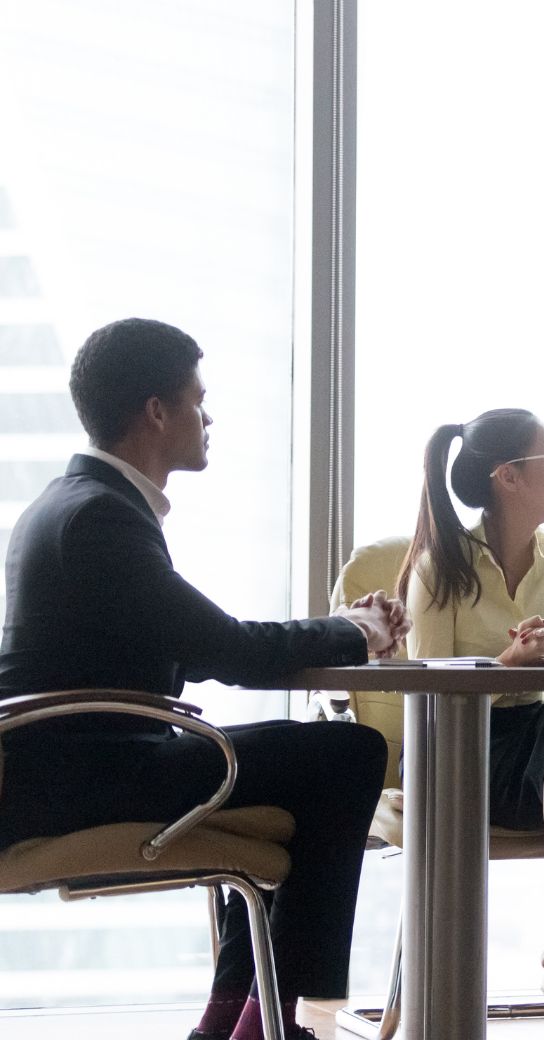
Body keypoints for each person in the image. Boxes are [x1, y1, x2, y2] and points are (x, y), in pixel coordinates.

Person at [0, 317, 405, 1040]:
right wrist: (357, 630)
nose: (207, 417)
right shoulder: (100, 518)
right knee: (347, 754)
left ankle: (235, 1022)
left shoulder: (73, 505)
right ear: (157, 411)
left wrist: (342, 628)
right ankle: (265, 1024)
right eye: (197, 399)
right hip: (89, 776)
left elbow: (177, 643)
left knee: (301, 758)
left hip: (71, 764)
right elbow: (230, 651)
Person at [399, 409, 544, 1040]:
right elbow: (428, 695)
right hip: (460, 751)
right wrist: (510, 663)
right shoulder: (437, 567)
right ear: (508, 477)